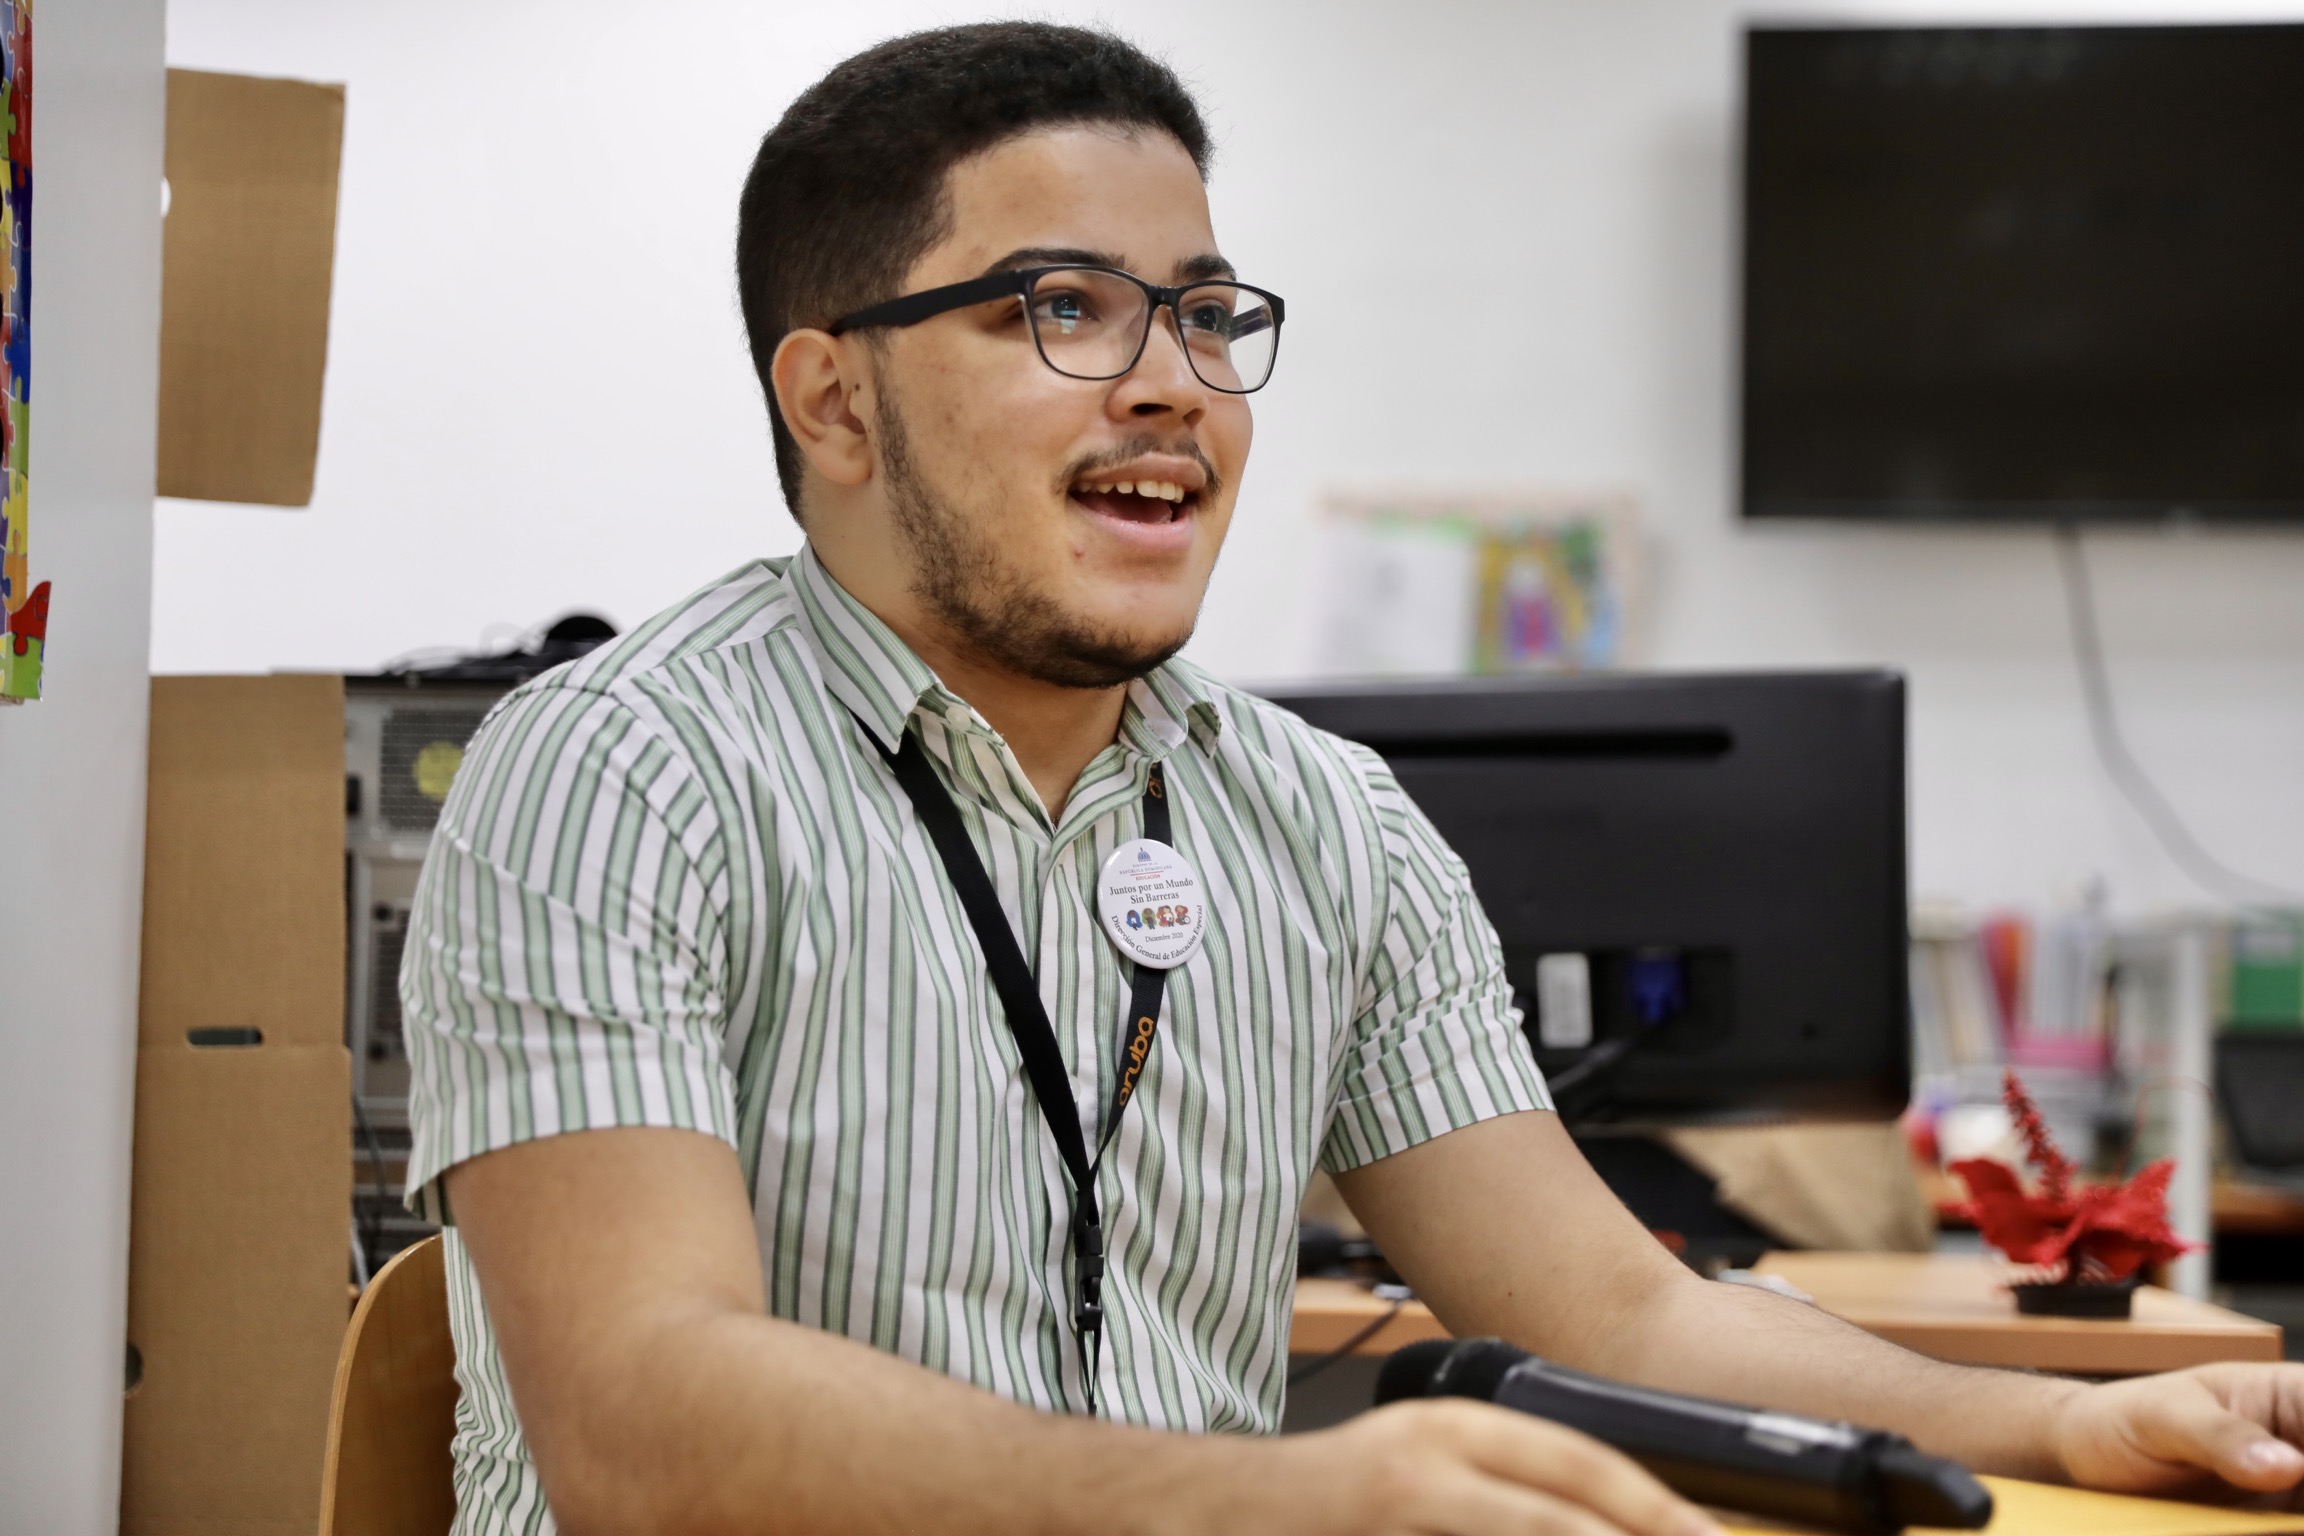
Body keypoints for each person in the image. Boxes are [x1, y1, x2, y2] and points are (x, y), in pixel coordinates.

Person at [403, 21, 2304, 1536]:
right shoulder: (619, 775)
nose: (1173, 382)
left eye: (1205, 313)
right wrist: (1267, 1502)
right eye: (1063, 306)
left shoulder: (1322, 819)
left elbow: (1621, 1311)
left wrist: (2069, 1421)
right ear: (834, 399)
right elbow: (641, 1426)